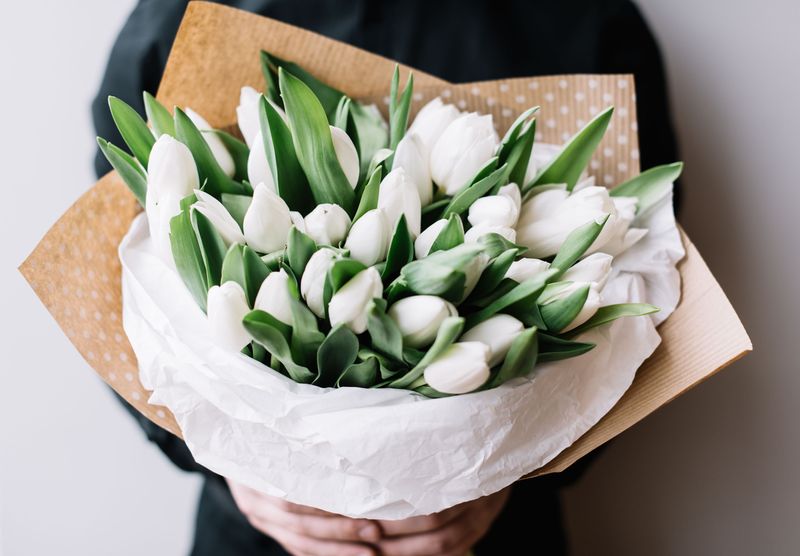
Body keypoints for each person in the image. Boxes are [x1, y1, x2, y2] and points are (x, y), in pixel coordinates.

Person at [93, 1, 679, 554]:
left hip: (490, 533)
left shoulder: (581, 18)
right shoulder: (180, 18)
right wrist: (235, 470)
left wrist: (511, 474)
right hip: (262, 537)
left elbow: (651, 272)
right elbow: (113, 288)